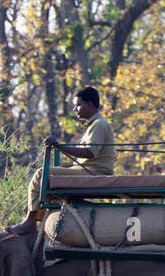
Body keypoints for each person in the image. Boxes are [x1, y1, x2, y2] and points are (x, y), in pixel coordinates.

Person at [7, 86, 115, 236]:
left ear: (89, 104)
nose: (75, 109)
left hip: (95, 173)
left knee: (40, 174)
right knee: (49, 174)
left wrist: (59, 147)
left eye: (78, 105)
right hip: (88, 169)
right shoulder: (93, 125)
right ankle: (44, 220)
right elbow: (86, 157)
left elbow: (89, 152)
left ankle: (30, 222)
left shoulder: (99, 125)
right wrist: (68, 165)